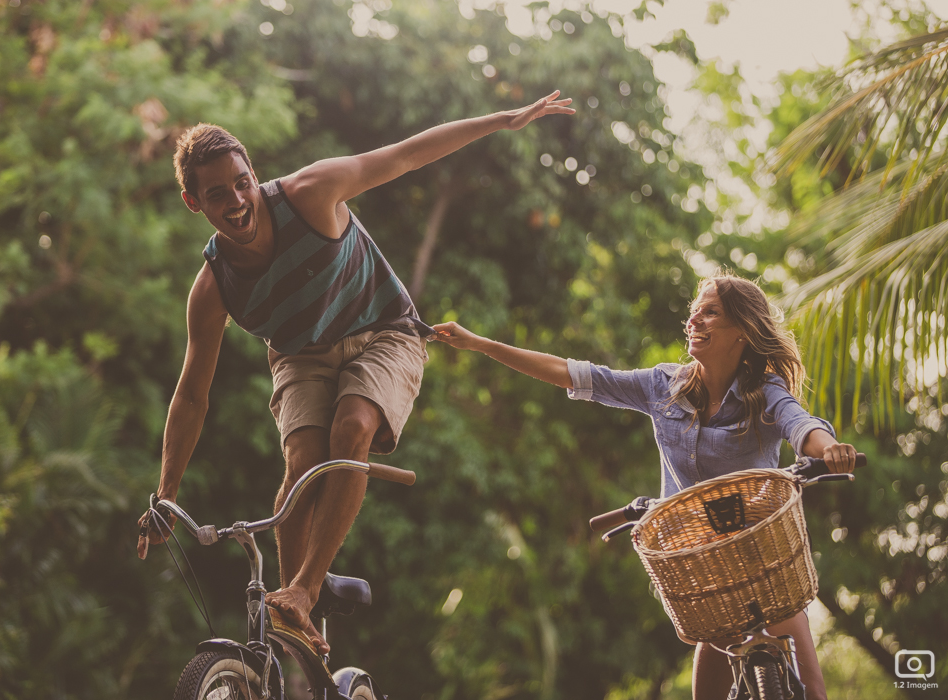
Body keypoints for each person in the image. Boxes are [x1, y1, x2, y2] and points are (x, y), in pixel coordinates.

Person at [136, 91, 575, 654]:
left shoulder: (311, 192)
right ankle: (294, 621)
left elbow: (407, 155)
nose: (238, 201)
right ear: (193, 202)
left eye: (242, 183)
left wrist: (504, 119)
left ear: (254, 173)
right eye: (218, 195)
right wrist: (166, 492)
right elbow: (192, 395)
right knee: (301, 464)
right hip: (300, 355)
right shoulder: (213, 287)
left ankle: (304, 588)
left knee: (351, 428)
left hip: (385, 330)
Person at [432, 271, 856, 700]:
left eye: (711, 313)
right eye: (695, 312)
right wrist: (480, 344)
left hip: (762, 558)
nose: (696, 321)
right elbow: (574, 375)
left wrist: (829, 449)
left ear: (742, 332)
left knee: (813, 694)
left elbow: (801, 425)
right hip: (704, 566)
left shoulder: (765, 392)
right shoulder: (662, 387)